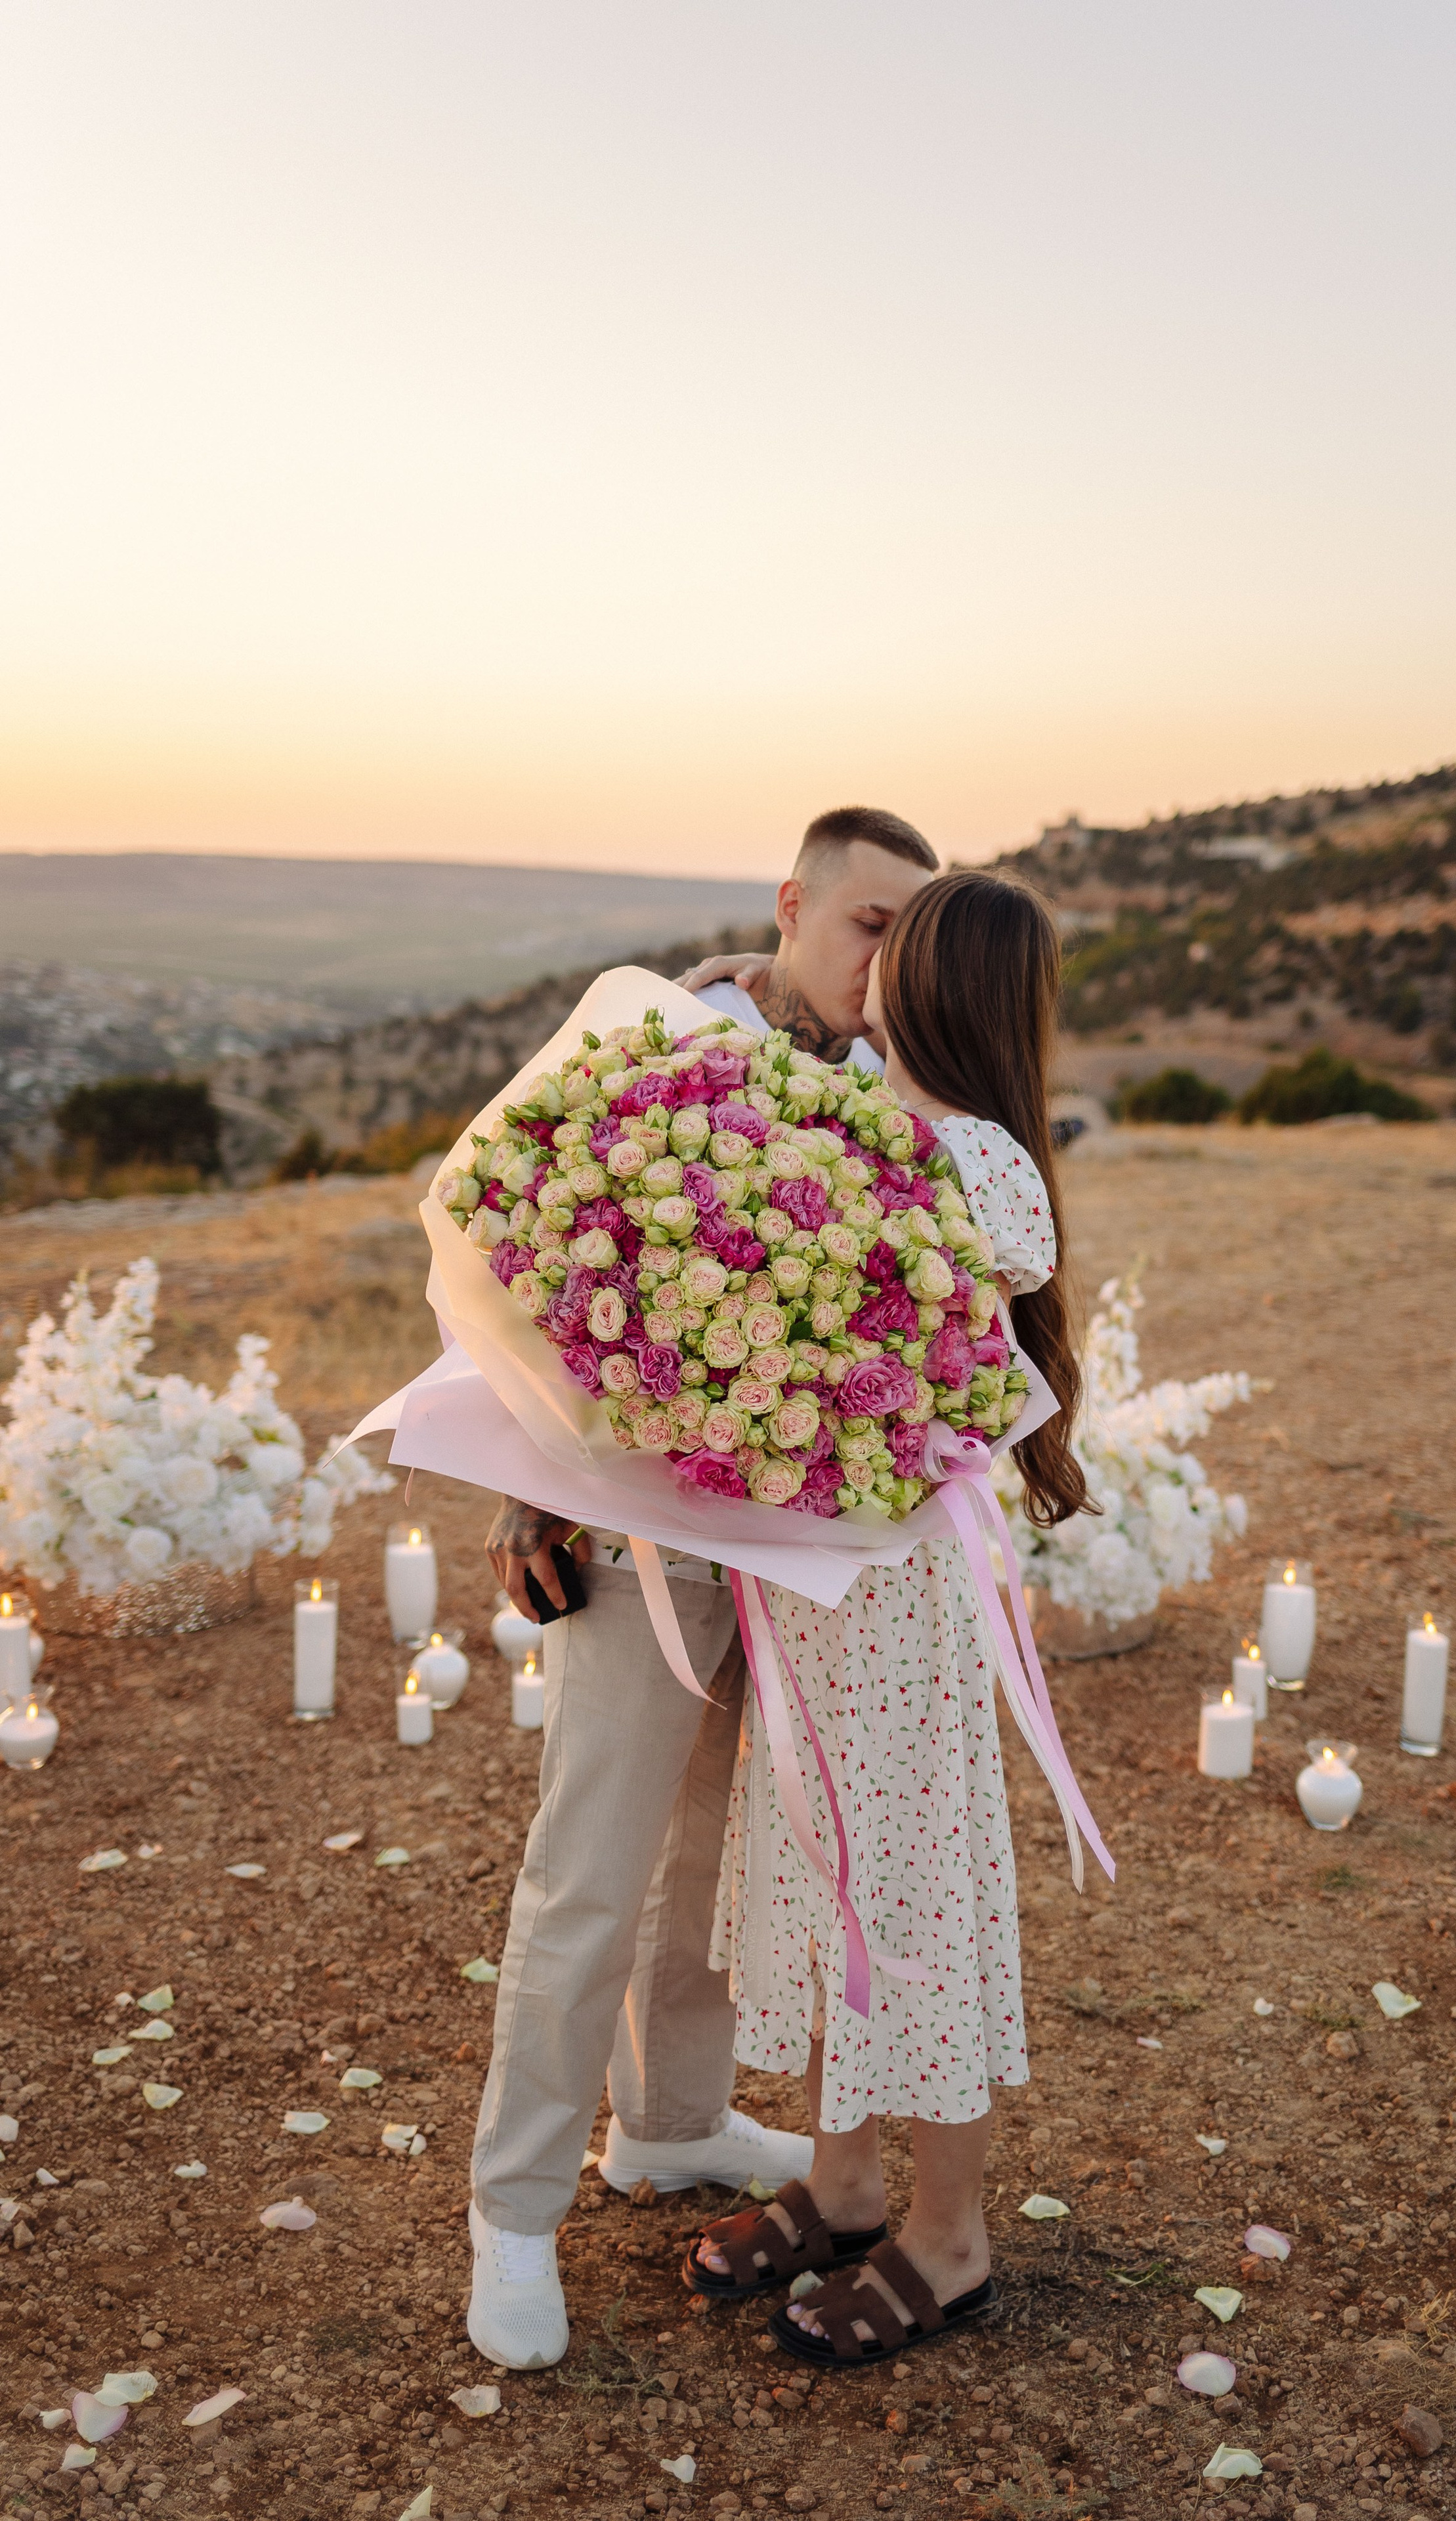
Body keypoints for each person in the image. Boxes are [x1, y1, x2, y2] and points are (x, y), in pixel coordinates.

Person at [466, 805, 939, 2368]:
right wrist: (527, 1482)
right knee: (588, 1862)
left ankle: (665, 2124)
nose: (889, 958)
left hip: (796, 1560)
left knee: (715, 1853)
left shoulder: (891, 1086)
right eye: (868, 923)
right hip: (627, 1536)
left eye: (911, 933)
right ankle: (513, 2212)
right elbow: (532, 1255)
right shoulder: (676, 1039)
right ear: (793, 901)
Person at [686, 869, 1090, 2368]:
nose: (860, 967)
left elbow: (859, 1275)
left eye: (891, 947)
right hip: (815, 1591)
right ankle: (842, 2181)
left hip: (900, 1603)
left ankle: (949, 2234)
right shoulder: (866, 1107)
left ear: (936, 985)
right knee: (825, 1865)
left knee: (908, 1897)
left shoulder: (976, 1162)